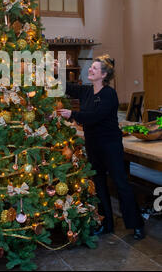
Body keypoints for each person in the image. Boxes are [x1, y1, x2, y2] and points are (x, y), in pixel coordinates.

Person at [57, 54, 145, 239]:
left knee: (121, 184)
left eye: (94, 68)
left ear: (104, 75)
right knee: (99, 185)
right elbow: (66, 87)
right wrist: (55, 69)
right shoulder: (87, 91)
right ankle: (106, 224)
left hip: (110, 146)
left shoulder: (109, 94)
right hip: (94, 145)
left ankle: (136, 224)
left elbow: (95, 117)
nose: (90, 69)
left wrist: (72, 114)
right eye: (91, 67)